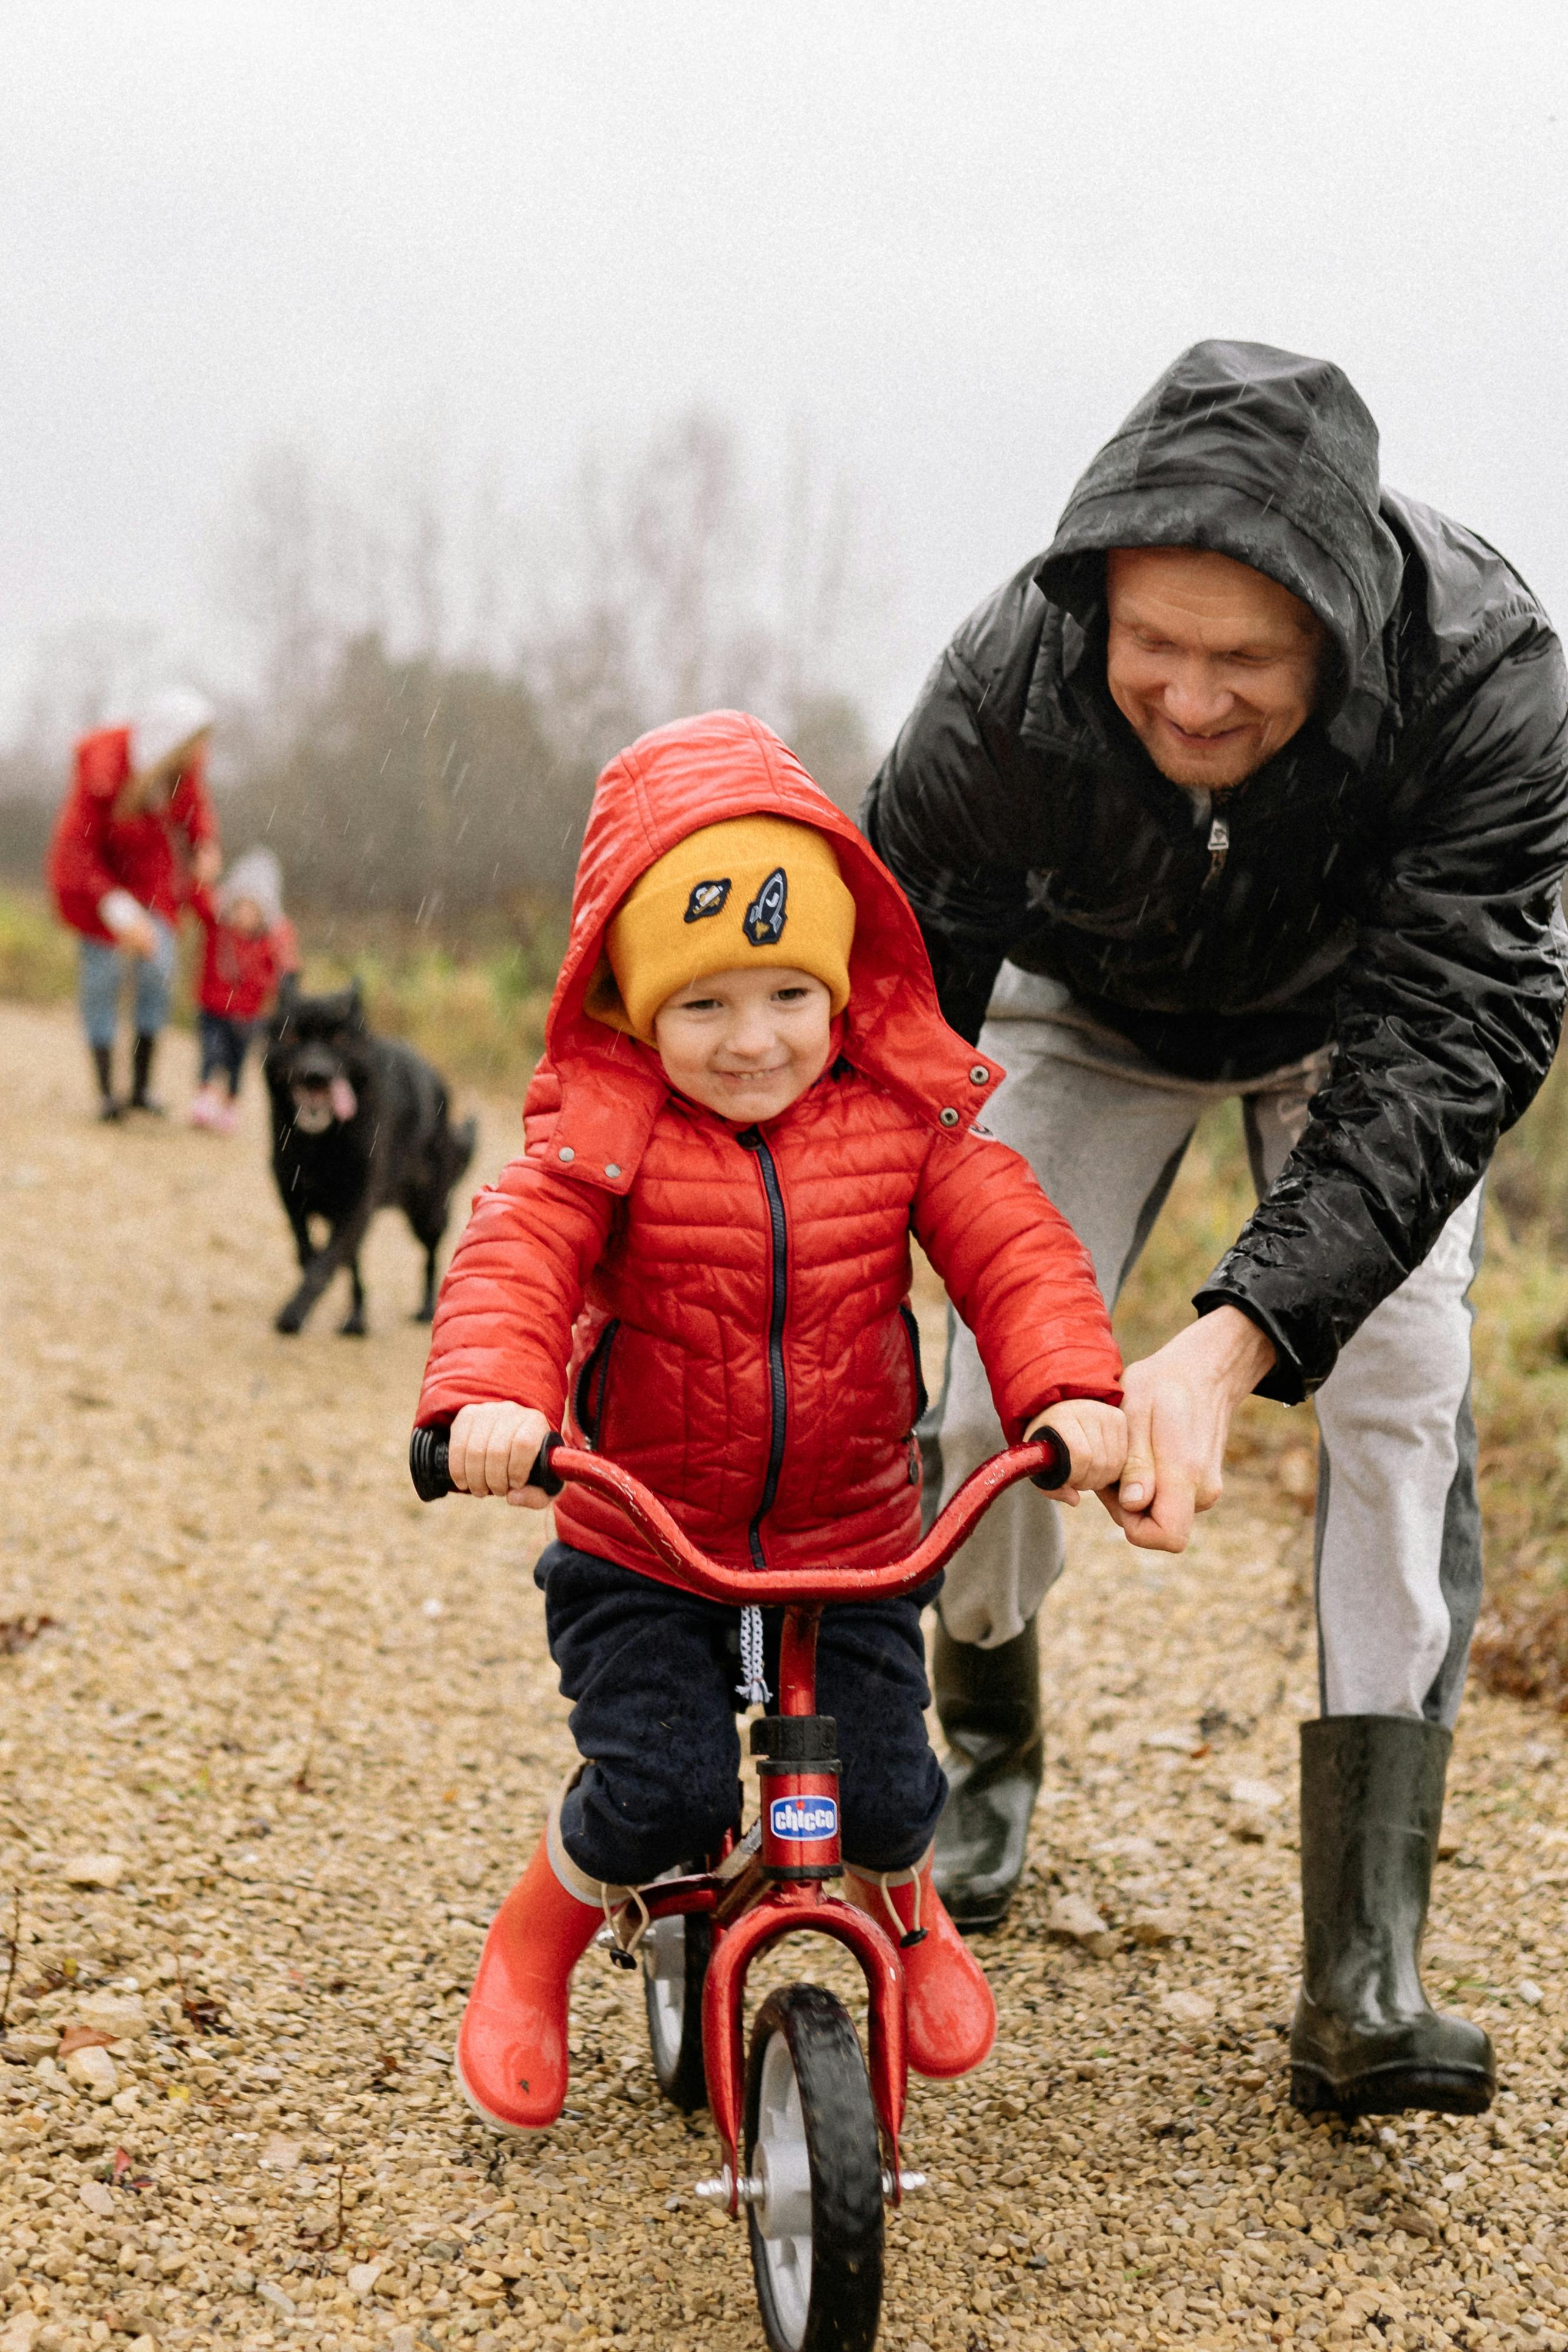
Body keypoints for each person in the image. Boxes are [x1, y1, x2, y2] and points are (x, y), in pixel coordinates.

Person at [863, 340, 1568, 2117]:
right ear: (1094, 594)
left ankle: (1364, 1966)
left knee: (1401, 1398)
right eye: (1151, 644)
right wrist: (821, 1271)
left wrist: (1234, 1331)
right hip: (1080, 1001)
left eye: (1243, 658)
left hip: (1359, 1025)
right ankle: (978, 1754)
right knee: (976, 1399)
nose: (1184, 698)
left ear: (1334, 631)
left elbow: (1455, 1039)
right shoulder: (1004, 682)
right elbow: (887, 1016)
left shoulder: (1487, 675)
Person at [413, 708, 1127, 2133]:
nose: (753, 1043)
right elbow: (518, 1253)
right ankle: (533, 1947)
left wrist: (1068, 1388)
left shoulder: (900, 1119)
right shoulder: (604, 1131)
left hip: (849, 1536)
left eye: (787, 995)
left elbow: (1016, 1245)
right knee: (658, 1792)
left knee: (888, 1789)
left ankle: (908, 1912)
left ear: (843, 985)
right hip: (646, 1538)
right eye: (704, 1004)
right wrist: (493, 1393)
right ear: (634, 1006)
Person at [47, 688, 220, 1118]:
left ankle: (142, 1088)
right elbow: (75, 852)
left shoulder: (183, 771)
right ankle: (108, 1093)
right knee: (102, 980)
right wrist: (119, 913)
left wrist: (205, 847)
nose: (202, 752)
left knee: (158, 972)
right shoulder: (102, 771)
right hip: (97, 890)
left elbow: (197, 816)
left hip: (152, 886)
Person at [188, 847, 299, 1134]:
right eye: (239, 906)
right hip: (212, 1008)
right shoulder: (219, 928)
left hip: (247, 1016)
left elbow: (286, 968)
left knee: (237, 1062)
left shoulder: (272, 941)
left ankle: (229, 1104)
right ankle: (205, 1098)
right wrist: (203, 873)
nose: (244, 915)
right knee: (211, 1054)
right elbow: (199, 899)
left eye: (253, 909)